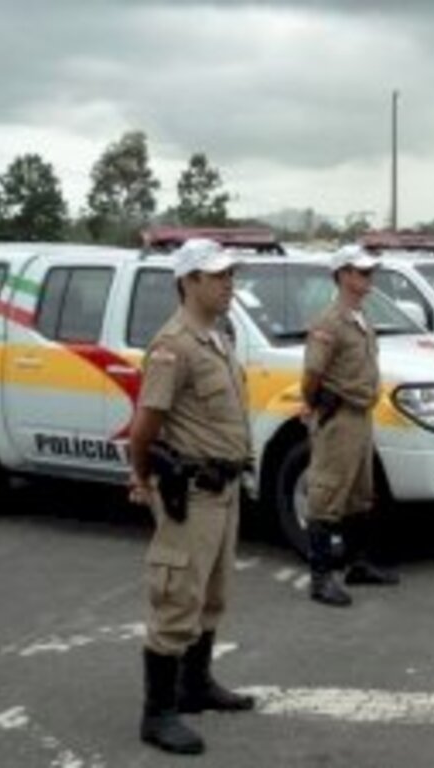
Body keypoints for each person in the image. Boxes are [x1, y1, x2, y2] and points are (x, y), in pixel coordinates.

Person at [129, 239, 254, 756]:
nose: (228, 283)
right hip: (192, 494)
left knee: (212, 594)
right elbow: (144, 429)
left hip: (223, 489)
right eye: (216, 275)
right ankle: (157, 713)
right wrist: (144, 479)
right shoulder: (173, 345)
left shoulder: (217, 336)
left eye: (229, 274)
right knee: (176, 598)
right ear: (189, 281)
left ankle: (195, 685)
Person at [302, 245, 398, 608]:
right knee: (327, 493)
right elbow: (312, 373)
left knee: (360, 493)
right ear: (343, 275)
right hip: (340, 416)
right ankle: (320, 577)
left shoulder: (359, 317)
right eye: (361, 272)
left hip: (360, 415)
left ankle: (358, 564)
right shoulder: (331, 321)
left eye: (370, 272)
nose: (368, 277)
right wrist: (315, 405)